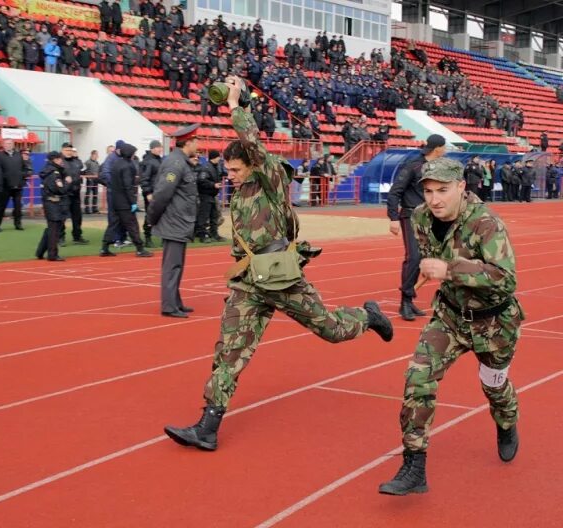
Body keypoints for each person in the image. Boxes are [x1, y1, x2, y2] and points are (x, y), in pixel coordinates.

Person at [162, 76, 394, 451]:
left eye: (236, 170)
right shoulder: (241, 192)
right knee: (229, 351)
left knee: (331, 330)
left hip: (282, 278)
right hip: (249, 283)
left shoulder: (269, 180)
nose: (230, 176)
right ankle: (208, 426)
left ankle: (368, 317)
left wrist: (235, 105)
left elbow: (252, 142)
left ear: (253, 166)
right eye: (228, 171)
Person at [378, 158, 522, 496]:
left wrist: (450, 269)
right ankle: (414, 466)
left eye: (443, 190)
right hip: (449, 316)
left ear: (461, 187)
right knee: (418, 377)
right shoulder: (420, 217)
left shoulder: (486, 224)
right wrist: (432, 270)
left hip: (493, 322)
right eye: (428, 192)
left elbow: (505, 279)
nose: (434, 199)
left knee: (494, 386)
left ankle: (506, 421)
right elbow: (432, 253)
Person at [386, 134, 447, 321]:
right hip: (412, 216)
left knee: (431, 258)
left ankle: (410, 299)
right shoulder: (413, 166)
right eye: (444, 147)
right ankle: (405, 301)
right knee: (413, 257)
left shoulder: (439, 168)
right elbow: (395, 192)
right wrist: (393, 218)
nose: (445, 150)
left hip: (433, 217)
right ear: (437, 148)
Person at [100, 143, 153, 258]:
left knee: (113, 224)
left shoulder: (117, 163)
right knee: (132, 225)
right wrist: (133, 202)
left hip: (115, 199)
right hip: (124, 201)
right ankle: (140, 248)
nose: (134, 155)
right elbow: (127, 186)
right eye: (133, 153)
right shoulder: (127, 166)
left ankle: (104, 247)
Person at [36, 152, 69, 261]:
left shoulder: (49, 170)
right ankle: (52, 254)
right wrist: (67, 183)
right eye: (59, 159)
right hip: (53, 202)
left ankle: (40, 251)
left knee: (52, 228)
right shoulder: (54, 173)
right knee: (54, 229)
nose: (61, 161)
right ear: (55, 160)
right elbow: (59, 189)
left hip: (51, 202)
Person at [0, 138, 29, 230]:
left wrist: (22, 178)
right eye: (6, 143)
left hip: (18, 186)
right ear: (3, 145)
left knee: (18, 207)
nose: (8, 145)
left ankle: (18, 224)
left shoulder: (19, 155)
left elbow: (25, 168)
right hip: (5, 186)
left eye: (10, 143)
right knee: (1, 206)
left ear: (13, 145)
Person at [138, 140, 163, 248]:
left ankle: (163, 237)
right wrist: (148, 192)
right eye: (158, 147)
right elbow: (144, 178)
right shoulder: (148, 161)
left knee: (162, 215)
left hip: (160, 192)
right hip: (151, 193)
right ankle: (147, 237)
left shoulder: (160, 160)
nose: (160, 149)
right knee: (150, 214)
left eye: (160, 147)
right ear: (152, 148)